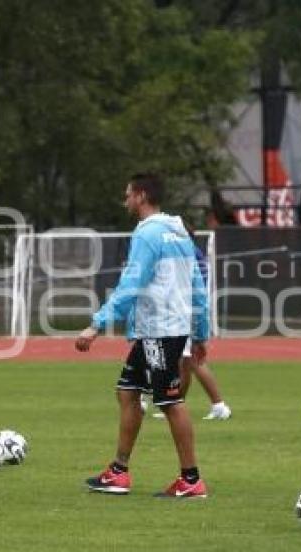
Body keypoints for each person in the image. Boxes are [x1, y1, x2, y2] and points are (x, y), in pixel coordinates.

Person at [76, 173, 210, 498]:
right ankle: (119, 472)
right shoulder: (179, 234)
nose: (126, 201)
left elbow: (131, 284)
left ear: (141, 195)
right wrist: (201, 331)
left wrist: (96, 324)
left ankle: (191, 479)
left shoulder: (148, 234)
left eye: (128, 194)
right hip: (166, 328)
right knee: (127, 392)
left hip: (159, 331)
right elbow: (197, 285)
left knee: (169, 401)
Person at [151, 222, 231, 421]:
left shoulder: (188, 255)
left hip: (187, 312)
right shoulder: (192, 253)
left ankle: (219, 405)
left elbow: (189, 287)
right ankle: (176, 404)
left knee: (192, 360)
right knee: (185, 362)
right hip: (188, 311)